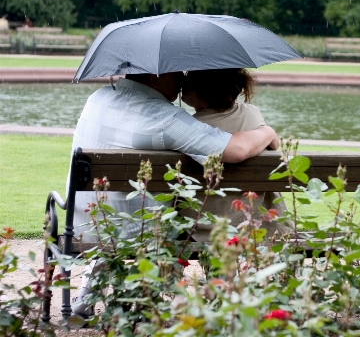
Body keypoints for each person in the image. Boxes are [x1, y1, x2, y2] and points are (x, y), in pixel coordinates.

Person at [70, 72, 279, 317]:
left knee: (120, 210)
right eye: (176, 71)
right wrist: (268, 132)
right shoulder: (164, 117)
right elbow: (236, 149)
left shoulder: (99, 97)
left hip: (82, 221)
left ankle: (87, 296)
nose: (182, 78)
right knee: (156, 213)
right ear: (156, 77)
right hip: (141, 230)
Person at [181, 68, 292, 241]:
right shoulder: (252, 114)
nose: (182, 86)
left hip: (199, 225)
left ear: (202, 93)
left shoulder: (189, 126)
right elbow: (275, 145)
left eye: (187, 84)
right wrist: (268, 132)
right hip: (250, 221)